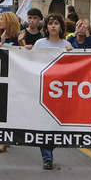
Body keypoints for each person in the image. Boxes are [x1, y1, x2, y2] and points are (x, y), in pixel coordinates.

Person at [26, 13, 73, 169]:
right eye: (50, 23)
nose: (53, 26)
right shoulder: (39, 43)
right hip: (44, 88)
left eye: (56, 23)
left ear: (61, 27)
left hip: (61, 90)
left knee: (56, 123)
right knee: (45, 123)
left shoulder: (67, 44)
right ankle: (47, 156)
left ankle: (50, 147)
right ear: (46, 27)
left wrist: (72, 53)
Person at [0, 11, 22, 153]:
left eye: (3, 19)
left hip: (15, 76)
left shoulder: (17, 37)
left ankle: (8, 136)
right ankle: (1, 140)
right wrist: (0, 42)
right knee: (0, 109)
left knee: (12, 109)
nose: (0, 21)